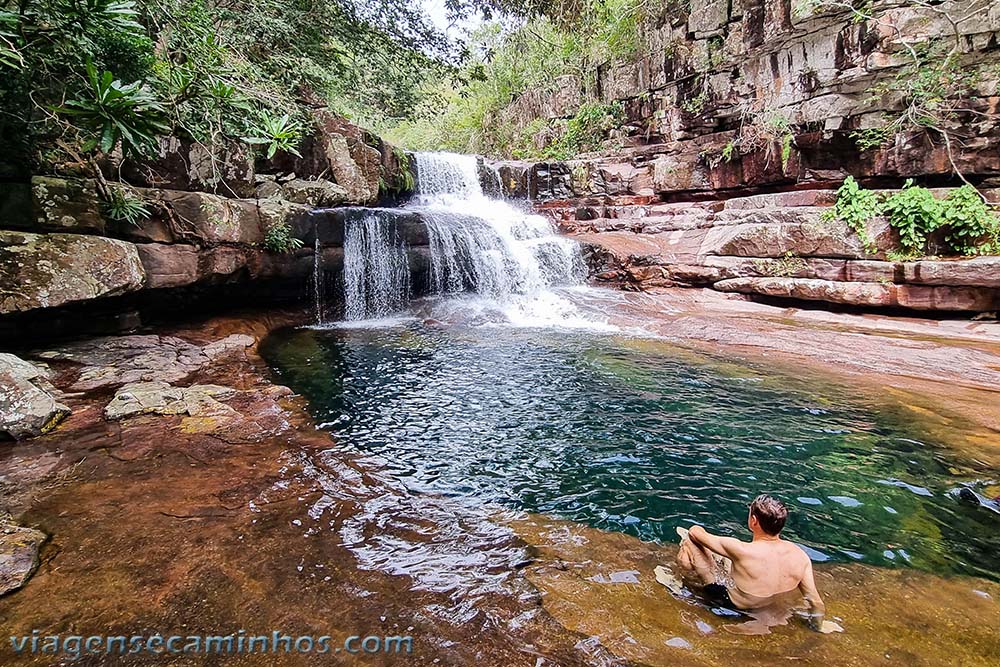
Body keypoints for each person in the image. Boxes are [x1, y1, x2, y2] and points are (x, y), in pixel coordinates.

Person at [672, 494, 829, 631]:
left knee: (689, 542)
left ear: (754, 521)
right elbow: (815, 602)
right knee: (728, 558)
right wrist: (816, 627)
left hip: (731, 606)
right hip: (767, 605)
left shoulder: (741, 550)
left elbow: (695, 533)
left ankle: (680, 581)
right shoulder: (800, 556)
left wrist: (696, 528)